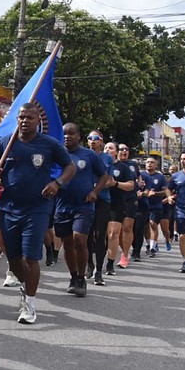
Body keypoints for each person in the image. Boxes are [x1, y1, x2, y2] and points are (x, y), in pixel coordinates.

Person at [0, 103, 75, 325]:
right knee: (13, 259)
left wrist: (58, 183)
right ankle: (26, 288)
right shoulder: (5, 143)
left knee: (30, 258)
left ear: (38, 122)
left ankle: (30, 303)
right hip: (8, 208)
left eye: (30, 118)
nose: (25, 121)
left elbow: (70, 166)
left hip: (37, 208)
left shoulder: (49, 145)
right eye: (21, 117)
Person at [54, 123, 107, 297]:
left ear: (79, 136)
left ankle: (82, 277)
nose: (67, 136)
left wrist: (94, 192)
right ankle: (74, 276)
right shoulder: (57, 154)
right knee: (67, 243)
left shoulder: (89, 155)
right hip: (62, 206)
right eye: (64, 134)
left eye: (71, 133)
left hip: (84, 205)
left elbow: (104, 176)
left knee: (79, 240)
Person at [84, 130, 114, 286]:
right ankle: (89, 263)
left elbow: (110, 180)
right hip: (86, 199)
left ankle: (99, 271)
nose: (92, 141)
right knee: (87, 234)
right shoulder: (83, 155)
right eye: (89, 138)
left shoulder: (107, 158)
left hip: (102, 199)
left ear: (101, 142)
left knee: (100, 234)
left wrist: (97, 187)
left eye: (95, 138)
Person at [103, 142, 135, 276]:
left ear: (116, 152)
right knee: (99, 235)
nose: (107, 150)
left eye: (110, 148)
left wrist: (115, 184)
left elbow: (131, 185)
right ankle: (94, 264)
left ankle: (110, 263)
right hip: (99, 202)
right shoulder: (98, 164)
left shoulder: (123, 167)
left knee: (113, 233)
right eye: (105, 147)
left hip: (117, 203)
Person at [140, 157, 167, 257]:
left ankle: (152, 247)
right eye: (147, 162)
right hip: (143, 204)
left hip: (156, 205)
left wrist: (155, 193)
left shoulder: (160, 177)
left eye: (152, 162)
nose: (149, 164)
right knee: (145, 225)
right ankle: (148, 243)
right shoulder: (141, 175)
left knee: (153, 224)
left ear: (156, 165)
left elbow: (165, 191)